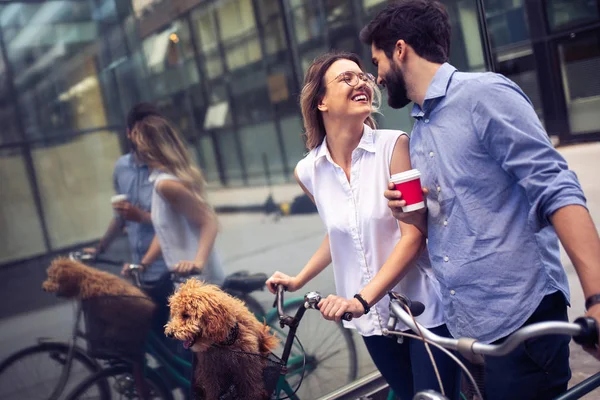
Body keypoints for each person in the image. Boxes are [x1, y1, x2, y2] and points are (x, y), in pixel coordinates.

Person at [360, 1, 600, 399]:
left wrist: (597, 298)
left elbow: (556, 188)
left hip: (522, 321)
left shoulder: (484, 94)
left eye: (377, 61)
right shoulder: (419, 130)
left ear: (400, 49)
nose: (378, 77)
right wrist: (411, 211)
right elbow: (453, 217)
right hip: (469, 331)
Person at [266, 51, 459, 399]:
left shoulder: (394, 146)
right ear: (321, 100)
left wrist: (361, 299)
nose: (361, 82)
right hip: (371, 322)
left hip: (421, 308)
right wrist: (298, 280)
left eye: (363, 76)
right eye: (346, 78)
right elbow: (340, 232)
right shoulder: (307, 171)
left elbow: (414, 235)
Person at [85, 103, 173, 342]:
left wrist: (141, 217)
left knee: (176, 343)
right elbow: (120, 217)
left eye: (152, 132)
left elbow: (174, 221)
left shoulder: (165, 170)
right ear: (129, 133)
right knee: (149, 340)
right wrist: (100, 248)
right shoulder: (121, 167)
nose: (147, 139)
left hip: (169, 269)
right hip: (140, 271)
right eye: (140, 132)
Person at [129, 114, 225, 287]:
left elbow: (209, 221)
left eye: (136, 142)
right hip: (186, 281)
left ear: (146, 149)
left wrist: (197, 264)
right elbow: (164, 230)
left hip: (199, 283)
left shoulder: (166, 184)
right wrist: (143, 265)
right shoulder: (160, 181)